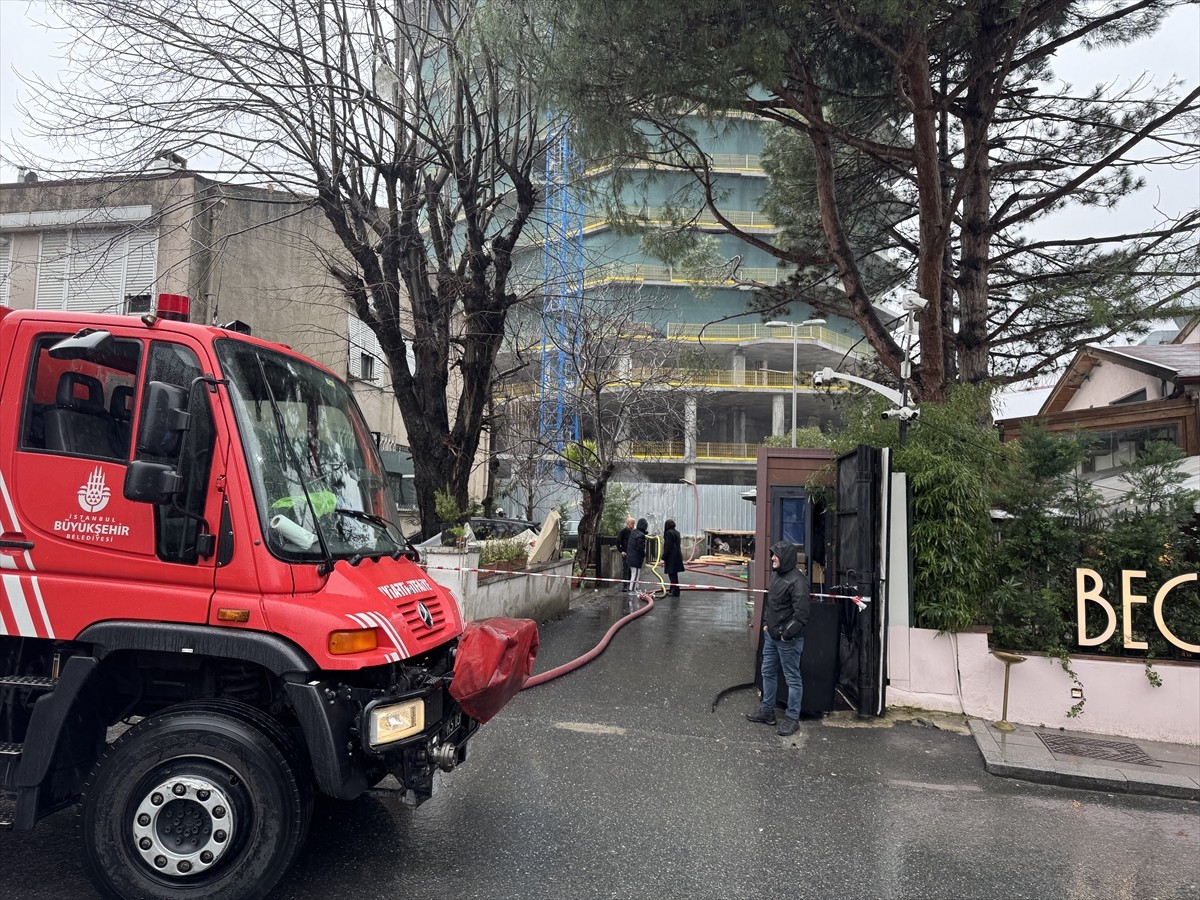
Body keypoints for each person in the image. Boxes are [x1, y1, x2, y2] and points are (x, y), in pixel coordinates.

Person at [747, 541, 810, 736]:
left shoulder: (798, 582)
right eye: (772, 554)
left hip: (787, 640)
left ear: (786, 558)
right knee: (767, 672)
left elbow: (801, 616)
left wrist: (785, 634)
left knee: (792, 678)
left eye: (776, 555)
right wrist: (766, 623)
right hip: (772, 636)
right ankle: (767, 712)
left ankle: (792, 719)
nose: (772, 558)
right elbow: (771, 603)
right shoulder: (776, 576)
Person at [661, 519, 684, 597]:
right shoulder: (677, 532)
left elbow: (668, 546)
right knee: (674, 574)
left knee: (672, 574)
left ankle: (674, 591)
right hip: (677, 555)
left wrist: (663, 557)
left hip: (671, 557)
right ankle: (674, 590)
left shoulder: (668, 533)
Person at [625, 518, 649, 594]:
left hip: (631, 557)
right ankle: (632, 590)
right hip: (636, 558)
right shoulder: (641, 536)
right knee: (635, 575)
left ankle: (636, 588)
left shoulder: (634, 532)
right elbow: (640, 548)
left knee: (635, 574)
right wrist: (644, 554)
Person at [617, 516, 635, 587]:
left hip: (632, 554)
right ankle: (625, 586)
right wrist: (621, 551)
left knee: (631, 570)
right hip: (626, 553)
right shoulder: (623, 532)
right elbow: (618, 542)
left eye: (634, 523)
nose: (633, 525)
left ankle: (630, 585)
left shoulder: (634, 532)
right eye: (632, 523)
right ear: (628, 523)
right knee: (625, 570)